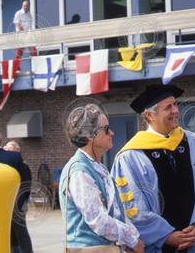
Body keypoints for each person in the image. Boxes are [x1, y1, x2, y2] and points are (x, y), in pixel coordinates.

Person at [111, 84, 195, 253]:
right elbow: (132, 205)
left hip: (194, 242)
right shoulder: (130, 156)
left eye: (175, 105)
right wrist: (165, 235)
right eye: (168, 107)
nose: (175, 110)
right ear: (150, 115)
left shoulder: (193, 142)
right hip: (157, 246)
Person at [58, 104, 144, 253]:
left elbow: (116, 211)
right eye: (106, 129)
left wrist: (127, 242)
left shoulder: (97, 167)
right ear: (90, 135)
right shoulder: (80, 172)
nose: (112, 132)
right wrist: (132, 239)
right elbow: (99, 221)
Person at [0, 134, 33, 253]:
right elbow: (25, 182)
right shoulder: (14, 157)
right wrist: (23, 202)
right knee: (21, 235)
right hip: (15, 203)